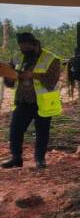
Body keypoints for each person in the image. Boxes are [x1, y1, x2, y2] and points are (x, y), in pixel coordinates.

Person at [1, 33, 62, 169]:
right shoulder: (17, 56)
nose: (23, 49)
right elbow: (9, 80)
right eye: (21, 47)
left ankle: (40, 159)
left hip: (43, 102)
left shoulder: (51, 58)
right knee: (15, 130)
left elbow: (52, 80)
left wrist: (33, 75)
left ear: (35, 44)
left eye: (26, 47)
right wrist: (9, 77)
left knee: (42, 132)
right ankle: (16, 158)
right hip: (23, 101)